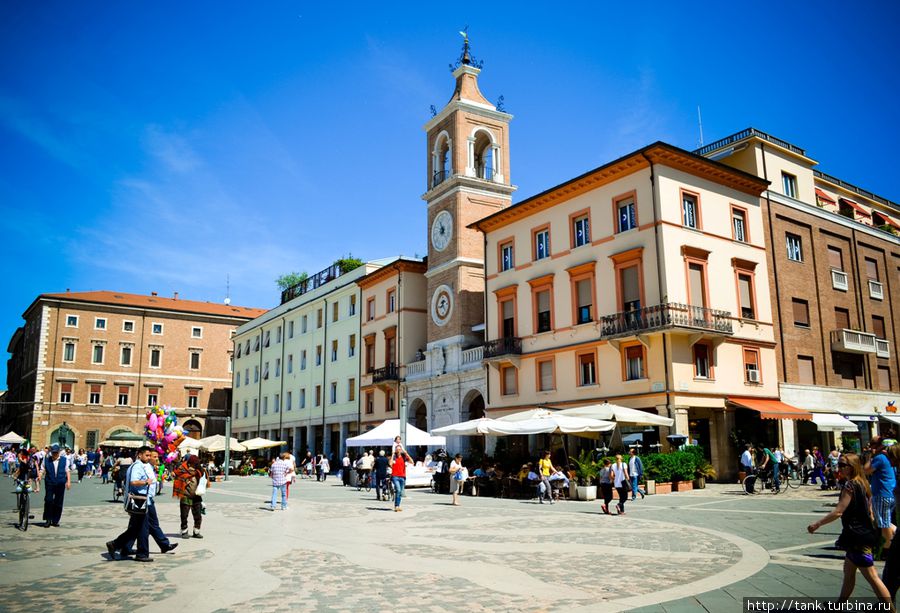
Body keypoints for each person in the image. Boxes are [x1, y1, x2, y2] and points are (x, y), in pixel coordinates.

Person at [808, 452, 894, 607]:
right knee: (848, 573)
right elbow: (870, 511)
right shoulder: (863, 482)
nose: (839, 468)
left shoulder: (850, 485)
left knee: (873, 578)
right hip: (860, 535)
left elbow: (839, 511)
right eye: (838, 464)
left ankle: (891, 610)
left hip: (857, 537)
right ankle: (839, 605)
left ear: (852, 467)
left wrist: (817, 524)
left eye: (842, 465)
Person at [107, 446, 153, 562]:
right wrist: (146, 482)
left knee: (136, 528)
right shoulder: (137, 466)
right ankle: (141, 554)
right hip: (138, 501)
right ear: (140, 455)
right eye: (146, 455)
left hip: (139, 500)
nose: (149, 458)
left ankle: (117, 544)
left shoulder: (137, 466)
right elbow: (133, 481)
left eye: (149, 455)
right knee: (142, 528)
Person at [865, 436, 896, 551]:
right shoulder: (890, 457)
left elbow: (866, 470)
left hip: (882, 493)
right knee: (884, 521)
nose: (870, 447)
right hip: (890, 493)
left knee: (884, 523)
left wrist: (870, 457)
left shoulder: (880, 457)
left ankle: (889, 549)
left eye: (872, 444)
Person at [144, 450, 178, 555]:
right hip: (144, 500)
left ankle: (164, 545)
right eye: (153, 456)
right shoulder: (143, 467)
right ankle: (118, 544)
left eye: (156, 456)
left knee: (146, 525)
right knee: (148, 525)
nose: (156, 459)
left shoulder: (150, 468)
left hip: (148, 500)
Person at [173, 454, 206, 538]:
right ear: (190, 464)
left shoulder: (199, 471)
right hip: (185, 495)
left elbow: (204, 479)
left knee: (198, 515)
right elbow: (177, 479)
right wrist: (184, 481)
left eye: (197, 464)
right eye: (194, 464)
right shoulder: (182, 470)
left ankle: (196, 531)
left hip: (196, 496)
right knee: (184, 515)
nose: (195, 466)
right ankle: (184, 531)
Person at [41, 444, 71, 527]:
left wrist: (68, 482)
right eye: (53, 453)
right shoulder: (46, 460)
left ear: (59, 452)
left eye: (56, 453)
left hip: (60, 482)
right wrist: (39, 476)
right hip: (49, 482)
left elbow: (67, 471)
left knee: (58, 502)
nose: (54, 454)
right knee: (48, 500)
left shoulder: (64, 460)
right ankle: (48, 519)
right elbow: (42, 469)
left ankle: (55, 520)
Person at [391, 445, 413, 512]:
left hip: (402, 476)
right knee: (398, 490)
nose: (398, 451)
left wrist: (406, 453)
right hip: (395, 476)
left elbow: (412, 462)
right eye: (397, 449)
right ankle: (396, 506)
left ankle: (397, 505)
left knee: (400, 492)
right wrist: (392, 455)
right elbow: (390, 463)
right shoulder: (394, 457)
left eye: (400, 449)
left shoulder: (404, 457)